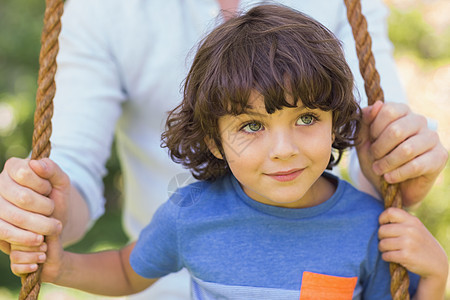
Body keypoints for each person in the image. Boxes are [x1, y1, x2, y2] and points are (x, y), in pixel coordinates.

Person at [0, 0, 448, 298]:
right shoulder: (191, 215)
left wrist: (435, 274)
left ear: (337, 120)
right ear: (213, 138)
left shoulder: (368, 225)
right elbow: (124, 270)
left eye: (307, 118)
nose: (283, 150)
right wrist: (56, 264)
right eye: (252, 125)